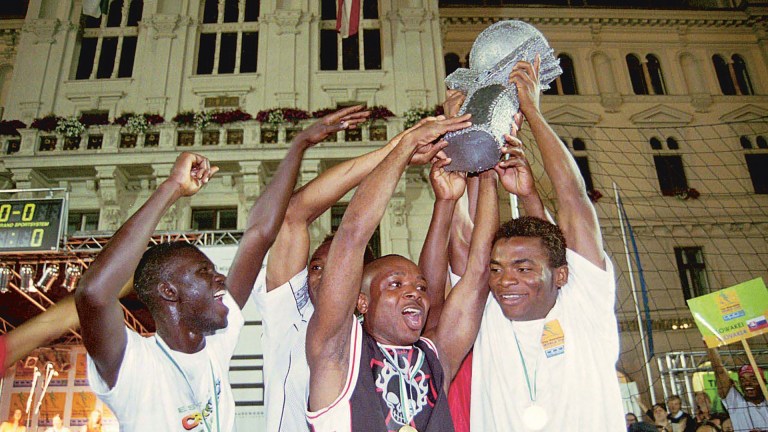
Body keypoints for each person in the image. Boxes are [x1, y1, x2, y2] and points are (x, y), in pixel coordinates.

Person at [75, 106, 367, 432]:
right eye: (203, 272)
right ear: (168, 291)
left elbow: (259, 235)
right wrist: (171, 187)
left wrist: (299, 144)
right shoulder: (133, 365)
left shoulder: (213, 346)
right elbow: (93, 294)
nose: (220, 278)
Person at [305, 113, 499, 431]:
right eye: (395, 284)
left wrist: (488, 168)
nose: (415, 293)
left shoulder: (436, 355)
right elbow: (353, 234)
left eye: (421, 287)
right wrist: (408, 143)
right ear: (362, 302)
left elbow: (478, 275)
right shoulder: (337, 352)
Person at [257, 114, 446, 431]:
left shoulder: (375, 338)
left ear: (360, 292)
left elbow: (431, 297)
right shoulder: (288, 313)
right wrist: (395, 150)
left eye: (337, 268)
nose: (323, 276)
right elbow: (293, 214)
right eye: (316, 267)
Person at [469, 55, 625, 431]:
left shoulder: (584, 303)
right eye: (497, 269)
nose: (505, 280)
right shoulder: (486, 311)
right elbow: (474, 232)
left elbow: (573, 199)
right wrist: (478, 145)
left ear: (561, 276)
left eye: (522, 269)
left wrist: (532, 111)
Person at [708, 347, 768, 431]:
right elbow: (719, 371)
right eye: (743, 380)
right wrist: (711, 346)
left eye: (753, 379)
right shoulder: (735, 403)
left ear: (764, 382)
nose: (747, 383)